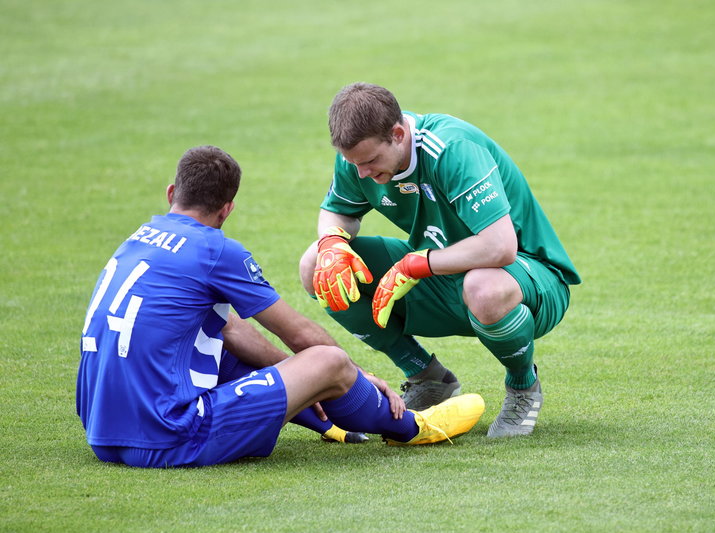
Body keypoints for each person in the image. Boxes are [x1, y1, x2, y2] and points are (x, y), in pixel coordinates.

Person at [76, 145, 485, 468]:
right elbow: (300, 336)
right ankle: (412, 427)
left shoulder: (138, 237)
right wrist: (354, 375)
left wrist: (300, 383)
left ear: (172, 193)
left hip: (101, 429)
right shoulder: (215, 250)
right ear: (227, 209)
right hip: (167, 437)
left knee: (226, 347)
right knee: (328, 361)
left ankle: (331, 421)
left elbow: (232, 330)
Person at [299, 83, 580, 438]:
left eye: (370, 162)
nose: (362, 173)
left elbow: (500, 247)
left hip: (527, 278)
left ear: (398, 134)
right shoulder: (358, 159)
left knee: (484, 286)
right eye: (355, 163)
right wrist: (332, 242)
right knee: (315, 265)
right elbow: (336, 212)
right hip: (441, 276)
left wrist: (417, 265)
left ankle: (523, 387)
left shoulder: (451, 149)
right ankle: (426, 377)